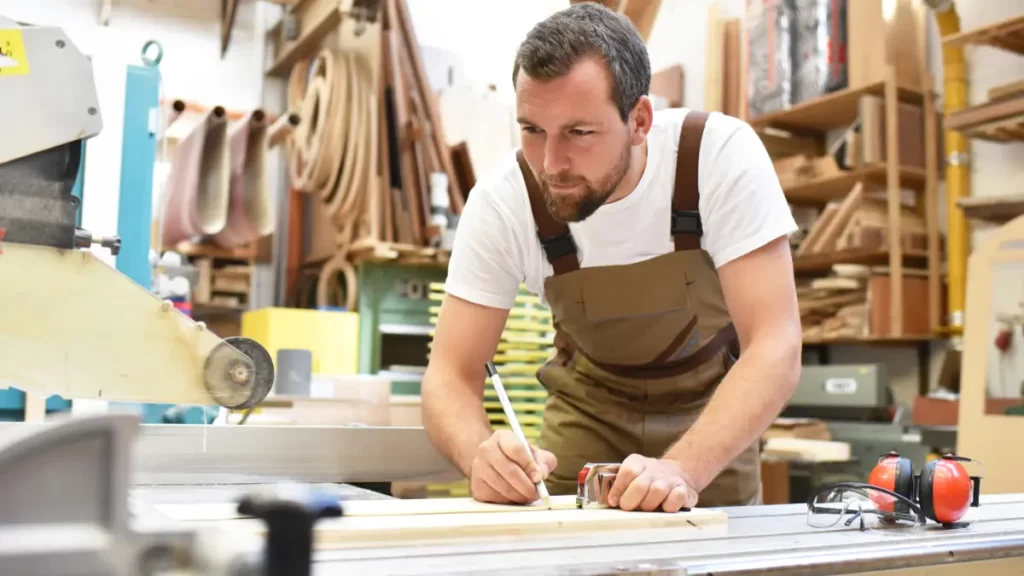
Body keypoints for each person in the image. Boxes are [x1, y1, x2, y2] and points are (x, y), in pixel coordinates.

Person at [421, 2, 802, 512]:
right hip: (586, 415)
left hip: (711, 421)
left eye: (580, 133)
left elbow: (775, 342)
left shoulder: (715, 157)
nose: (551, 164)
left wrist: (683, 469)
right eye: (533, 130)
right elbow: (449, 374)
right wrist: (478, 457)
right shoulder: (503, 200)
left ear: (640, 120)